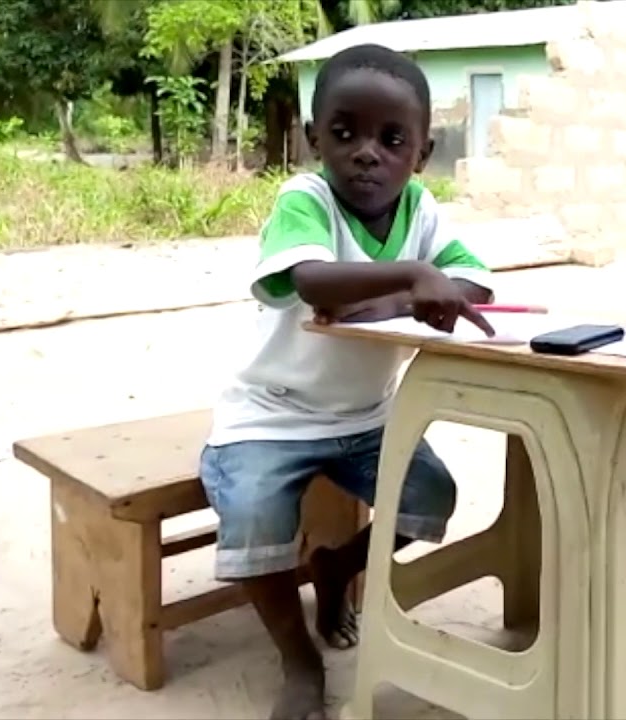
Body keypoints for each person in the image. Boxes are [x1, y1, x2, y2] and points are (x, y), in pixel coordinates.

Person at [198, 44, 495, 720]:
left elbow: (473, 283)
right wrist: (414, 280)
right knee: (251, 522)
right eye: (345, 132)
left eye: (392, 140)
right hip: (270, 414)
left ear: (422, 152)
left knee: (431, 496)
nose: (368, 153)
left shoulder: (421, 208)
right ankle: (297, 657)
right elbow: (310, 280)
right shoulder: (305, 198)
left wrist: (400, 298)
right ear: (312, 139)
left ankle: (336, 567)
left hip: (364, 416)